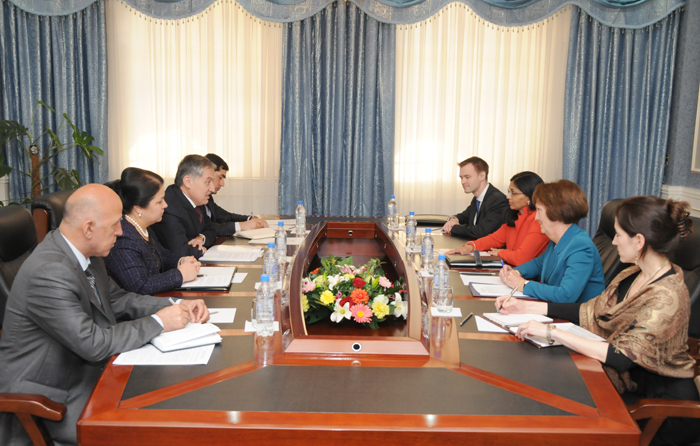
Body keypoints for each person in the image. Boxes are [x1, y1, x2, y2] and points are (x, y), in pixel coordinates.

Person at [0, 184, 209, 446]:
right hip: (51, 399)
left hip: (88, 372)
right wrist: (159, 322)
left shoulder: (87, 251)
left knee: (175, 398)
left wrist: (174, 305)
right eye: (114, 225)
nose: (121, 232)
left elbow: (119, 299)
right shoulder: (50, 271)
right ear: (88, 228)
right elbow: (93, 344)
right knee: (157, 429)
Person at [498, 196, 699, 445]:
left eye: (618, 235)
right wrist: (526, 306)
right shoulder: (632, 273)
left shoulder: (668, 295)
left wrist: (552, 332)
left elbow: (622, 357)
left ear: (639, 241)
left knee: (551, 411)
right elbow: (590, 310)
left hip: (659, 408)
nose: (613, 242)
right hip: (624, 382)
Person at [500, 179, 605, 303]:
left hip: (575, 315)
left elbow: (565, 295)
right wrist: (515, 272)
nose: (536, 217)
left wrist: (522, 284)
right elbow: (538, 265)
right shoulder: (557, 240)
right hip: (555, 309)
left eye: (539, 210)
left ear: (556, 212)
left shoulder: (581, 246)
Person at [104, 168, 201, 295]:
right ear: (139, 208)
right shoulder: (124, 238)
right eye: (159, 201)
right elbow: (140, 286)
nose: (165, 205)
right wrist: (180, 275)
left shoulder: (143, 227)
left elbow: (163, 256)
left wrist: (182, 261)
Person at [445, 172, 549, 266]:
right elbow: (494, 239)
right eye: (509, 191)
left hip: (527, 277)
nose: (508, 196)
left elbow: (520, 258)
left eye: (514, 193)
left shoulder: (538, 220)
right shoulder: (515, 216)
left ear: (531, 196)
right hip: (510, 270)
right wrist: (470, 247)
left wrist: (500, 252)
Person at [152, 154, 217, 259]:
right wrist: (201, 250)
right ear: (188, 182)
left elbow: (211, 230)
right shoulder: (169, 208)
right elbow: (182, 253)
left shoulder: (197, 199)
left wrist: (201, 238)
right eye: (208, 182)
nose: (213, 189)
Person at [442, 157, 508, 239]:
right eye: (461, 178)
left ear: (482, 176)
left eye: (467, 177)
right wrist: (454, 219)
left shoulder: (498, 200)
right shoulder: (478, 198)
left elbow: (482, 232)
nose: (462, 182)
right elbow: (464, 216)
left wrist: (453, 228)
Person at [204, 153, 268, 236]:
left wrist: (251, 219)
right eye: (220, 177)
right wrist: (243, 226)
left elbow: (226, 216)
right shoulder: (196, 200)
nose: (222, 184)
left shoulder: (208, 198)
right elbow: (208, 228)